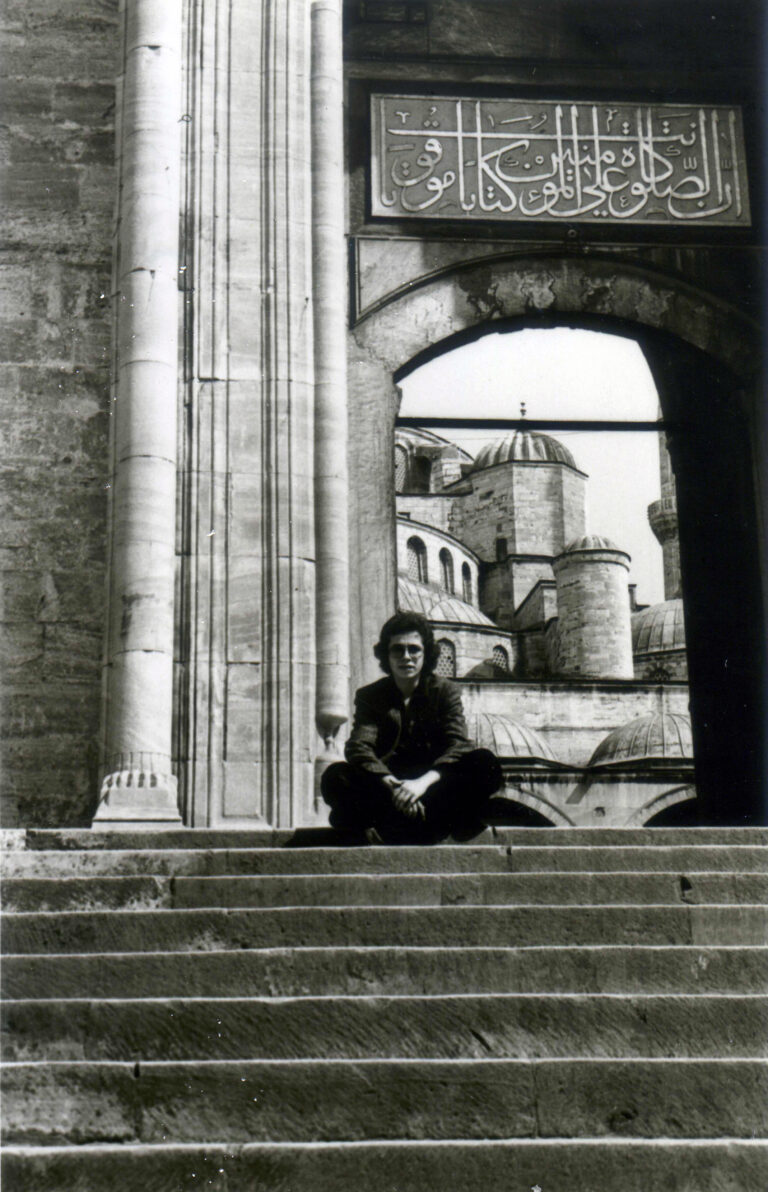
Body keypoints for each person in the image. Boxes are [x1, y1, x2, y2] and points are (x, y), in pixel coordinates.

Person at [321, 611, 503, 843]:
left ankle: (400, 823)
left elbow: (457, 745)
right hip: (388, 790)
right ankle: (416, 822)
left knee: (484, 764)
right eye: (397, 649)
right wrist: (394, 786)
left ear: (425, 654)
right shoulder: (370, 696)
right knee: (335, 777)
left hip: (432, 787)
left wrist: (420, 785)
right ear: (386, 655)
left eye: (414, 649)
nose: (406, 656)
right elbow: (359, 747)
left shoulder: (445, 691)